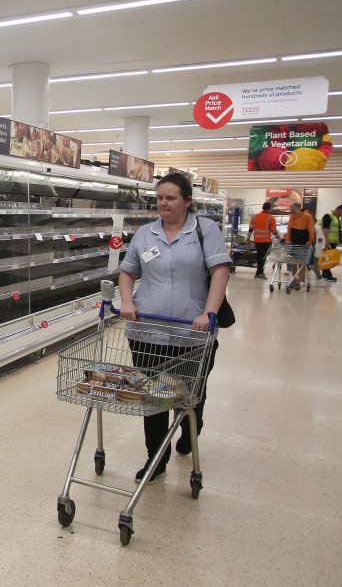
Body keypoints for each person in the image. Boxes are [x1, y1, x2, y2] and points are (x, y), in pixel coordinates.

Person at [118, 172, 231, 482]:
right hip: (147, 330)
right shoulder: (144, 234)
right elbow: (127, 273)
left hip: (191, 331)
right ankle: (156, 458)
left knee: (190, 395)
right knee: (153, 397)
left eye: (171, 198)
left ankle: (190, 426)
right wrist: (127, 301)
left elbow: (220, 272)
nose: (164, 203)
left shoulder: (205, 231)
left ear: (187, 202)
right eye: (160, 198)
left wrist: (209, 312)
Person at [246, 202, 280, 279]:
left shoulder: (255, 217)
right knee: (263, 256)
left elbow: (251, 229)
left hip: (257, 240)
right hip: (266, 241)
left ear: (262, 207)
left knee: (260, 256)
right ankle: (259, 273)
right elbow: (273, 231)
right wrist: (278, 237)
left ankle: (260, 272)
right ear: (270, 208)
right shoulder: (271, 218)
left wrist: (248, 238)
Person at [285, 202, 314, 290]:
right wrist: (288, 239)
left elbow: (311, 229)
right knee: (293, 262)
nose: (290, 209)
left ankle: (299, 281)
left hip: (303, 243)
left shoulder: (307, 216)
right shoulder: (292, 216)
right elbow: (289, 228)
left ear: (295, 207)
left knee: (301, 263)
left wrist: (310, 240)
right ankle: (294, 280)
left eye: (291, 207)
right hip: (293, 243)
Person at [320, 204, 342, 282]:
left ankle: (326, 275)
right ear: (339, 209)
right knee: (327, 259)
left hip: (332, 242)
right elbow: (325, 228)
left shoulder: (336, 218)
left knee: (328, 258)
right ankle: (326, 276)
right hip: (329, 241)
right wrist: (326, 240)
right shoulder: (328, 216)